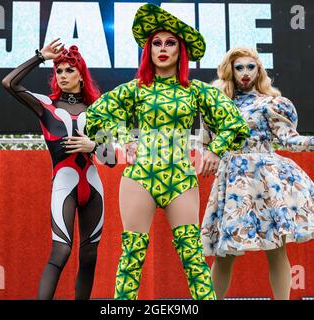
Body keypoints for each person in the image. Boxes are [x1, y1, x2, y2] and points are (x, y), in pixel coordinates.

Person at [85, 4, 250, 300]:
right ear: (148, 50)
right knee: (131, 258)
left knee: (193, 258)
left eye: (170, 43)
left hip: (181, 179)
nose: (162, 49)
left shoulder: (196, 91)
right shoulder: (134, 89)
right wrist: (123, 136)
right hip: (139, 178)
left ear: (180, 50)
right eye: (156, 43)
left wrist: (215, 150)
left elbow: (235, 124)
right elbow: (94, 118)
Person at [201, 47, 314, 300]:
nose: (245, 73)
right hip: (233, 182)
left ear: (259, 71)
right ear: (230, 71)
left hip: (265, 181)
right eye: (239, 68)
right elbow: (205, 144)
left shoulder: (270, 103)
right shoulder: (216, 105)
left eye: (250, 67)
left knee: (276, 249)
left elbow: (290, 140)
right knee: (224, 253)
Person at [2, 40, 113, 299]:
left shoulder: (98, 111)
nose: (63, 76)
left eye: (69, 70)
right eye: (59, 71)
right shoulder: (45, 105)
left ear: (81, 76)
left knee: (89, 256)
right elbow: (9, 83)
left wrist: (92, 145)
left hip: (93, 187)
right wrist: (40, 56)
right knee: (61, 251)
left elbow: (109, 160)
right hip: (64, 184)